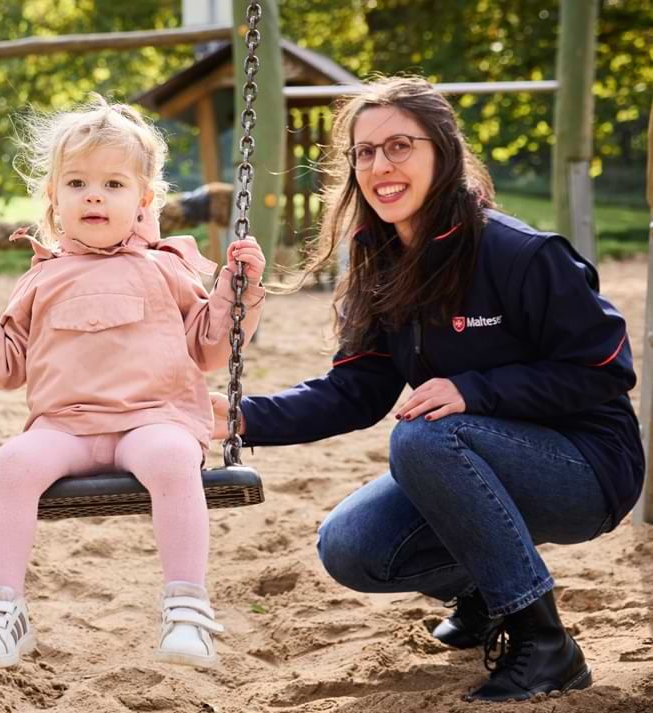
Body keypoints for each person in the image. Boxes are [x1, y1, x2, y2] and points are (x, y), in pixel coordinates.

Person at [224, 76, 641, 703]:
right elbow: (358, 390)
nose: (379, 166)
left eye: (399, 146)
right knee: (353, 547)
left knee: (423, 438)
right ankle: (485, 596)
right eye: (364, 152)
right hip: (475, 454)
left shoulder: (519, 253)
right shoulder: (380, 260)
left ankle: (545, 642)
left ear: (442, 153)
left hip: (586, 467)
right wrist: (240, 417)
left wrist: (476, 391)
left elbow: (605, 368)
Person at [0, 94, 266, 673]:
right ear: (54, 199)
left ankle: (186, 607)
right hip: (66, 427)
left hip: (153, 418)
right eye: (77, 183)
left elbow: (211, 347)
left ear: (144, 200)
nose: (94, 196)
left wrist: (238, 289)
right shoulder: (43, 278)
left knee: (171, 458)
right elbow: (7, 365)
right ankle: (1, 609)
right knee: (13, 462)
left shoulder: (166, 267)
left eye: (113, 184)